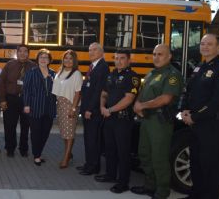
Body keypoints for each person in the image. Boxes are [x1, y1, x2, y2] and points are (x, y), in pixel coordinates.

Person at [131, 44, 183, 199]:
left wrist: (142, 105)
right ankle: (149, 185)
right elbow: (142, 93)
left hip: (160, 122)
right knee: (144, 154)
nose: (156, 57)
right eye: (154, 54)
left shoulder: (172, 75)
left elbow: (165, 98)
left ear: (169, 56)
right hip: (146, 120)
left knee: (159, 157)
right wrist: (137, 105)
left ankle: (162, 191)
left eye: (160, 54)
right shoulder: (151, 73)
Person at [180, 34, 219, 199]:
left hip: (211, 125)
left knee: (210, 166)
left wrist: (195, 116)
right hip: (195, 124)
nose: (205, 47)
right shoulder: (200, 66)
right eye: (203, 43)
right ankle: (196, 195)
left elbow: (218, 101)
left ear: (218, 47)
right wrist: (184, 109)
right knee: (196, 163)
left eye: (210, 44)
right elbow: (188, 90)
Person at [96, 49, 140, 194]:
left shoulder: (132, 77)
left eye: (122, 58)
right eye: (116, 58)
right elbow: (104, 93)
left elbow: (128, 99)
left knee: (123, 152)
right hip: (108, 118)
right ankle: (110, 175)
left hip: (122, 120)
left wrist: (110, 109)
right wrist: (102, 106)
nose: (118, 61)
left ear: (129, 60)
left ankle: (123, 183)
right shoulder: (111, 74)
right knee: (110, 149)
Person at [0, 45, 36, 157]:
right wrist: (2, 100)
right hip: (11, 99)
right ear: (17, 53)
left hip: (27, 101)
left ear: (28, 53)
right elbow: (1, 83)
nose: (23, 53)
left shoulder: (34, 67)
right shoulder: (9, 65)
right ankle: (10, 149)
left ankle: (23, 149)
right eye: (20, 51)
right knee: (9, 126)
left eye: (25, 51)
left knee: (26, 126)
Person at [77, 42, 109, 175]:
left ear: (101, 52)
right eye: (90, 50)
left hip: (93, 111)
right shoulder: (93, 66)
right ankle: (88, 163)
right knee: (88, 138)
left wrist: (90, 109)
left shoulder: (103, 67)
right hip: (87, 109)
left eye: (94, 50)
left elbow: (98, 91)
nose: (91, 52)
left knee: (93, 140)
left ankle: (93, 167)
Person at [23, 49, 56, 166]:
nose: (43, 59)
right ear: (37, 59)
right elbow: (26, 89)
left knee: (45, 133)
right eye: (41, 57)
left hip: (50, 108)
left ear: (49, 60)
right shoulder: (31, 72)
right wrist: (26, 104)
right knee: (36, 133)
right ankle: (36, 155)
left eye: (46, 57)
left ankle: (38, 152)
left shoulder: (53, 73)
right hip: (35, 107)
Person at [52, 50, 83, 169]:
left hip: (70, 105)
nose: (68, 60)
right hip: (60, 105)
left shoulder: (76, 74)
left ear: (74, 60)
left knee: (69, 133)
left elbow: (78, 92)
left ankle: (65, 158)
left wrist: (73, 108)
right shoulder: (60, 72)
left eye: (70, 58)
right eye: (66, 58)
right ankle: (68, 153)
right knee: (65, 133)